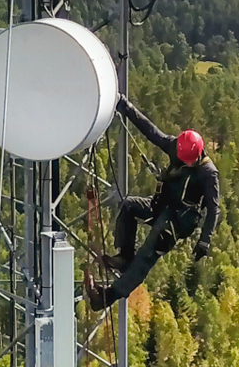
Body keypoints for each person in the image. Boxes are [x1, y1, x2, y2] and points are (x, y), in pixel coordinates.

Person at [86, 95, 221, 310]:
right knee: (129, 206)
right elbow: (151, 131)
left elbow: (214, 209)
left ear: (197, 155)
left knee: (148, 252)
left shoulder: (208, 173)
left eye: (188, 161)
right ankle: (124, 257)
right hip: (161, 206)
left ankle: (107, 297)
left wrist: (205, 240)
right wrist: (126, 107)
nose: (185, 162)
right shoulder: (176, 148)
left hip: (177, 221)